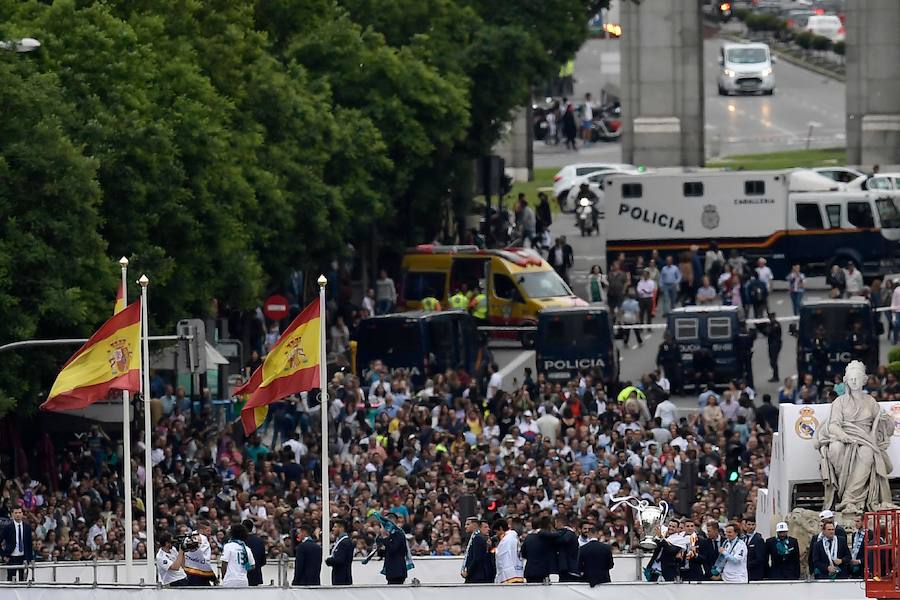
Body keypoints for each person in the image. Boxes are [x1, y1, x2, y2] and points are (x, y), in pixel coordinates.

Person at [816, 360, 895, 514]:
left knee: (867, 453)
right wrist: (843, 436)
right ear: (846, 380)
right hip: (844, 437)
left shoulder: (871, 402)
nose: (853, 381)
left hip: (865, 439)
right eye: (850, 378)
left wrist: (885, 420)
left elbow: (887, 428)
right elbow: (833, 425)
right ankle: (843, 492)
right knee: (835, 448)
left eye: (857, 377)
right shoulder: (840, 402)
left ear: (864, 380)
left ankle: (849, 499)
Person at [522, 516, 559, 583]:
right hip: (543, 572)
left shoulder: (528, 537)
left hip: (530, 571)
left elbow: (523, 554)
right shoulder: (548, 538)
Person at [376, 512, 410, 585]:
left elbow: (392, 549)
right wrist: (381, 539)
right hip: (391, 571)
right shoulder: (389, 535)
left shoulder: (398, 534)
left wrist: (385, 538)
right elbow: (381, 553)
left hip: (397, 571)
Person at [1, 506, 33, 582]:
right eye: (16, 513)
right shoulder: (8, 528)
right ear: (12, 514)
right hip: (11, 557)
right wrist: (4, 556)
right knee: (11, 580)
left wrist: (30, 559)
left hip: (24, 557)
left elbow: (29, 544)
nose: (18, 515)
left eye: (19, 513)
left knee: (23, 580)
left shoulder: (27, 527)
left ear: (22, 514)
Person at [220, 523, 256, 588]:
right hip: (243, 580)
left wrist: (223, 577)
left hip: (230, 579)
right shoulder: (246, 548)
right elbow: (253, 566)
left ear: (232, 534)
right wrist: (245, 567)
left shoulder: (228, 546)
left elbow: (224, 564)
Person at [461, 517, 493, 583]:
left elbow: (477, 558)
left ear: (475, 525)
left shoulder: (478, 538)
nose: (465, 526)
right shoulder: (475, 537)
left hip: (476, 576)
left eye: (468, 524)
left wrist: (468, 572)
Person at [493, 519, 524, 584]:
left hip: (509, 575)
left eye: (496, 532)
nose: (497, 535)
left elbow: (502, 557)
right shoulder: (513, 537)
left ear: (501, 528)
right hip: (518, 572)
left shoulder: (506, 540)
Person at [325, 519, 353, 585]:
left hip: (342, 578)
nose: (332, 529)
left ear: (341, 528)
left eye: (335, 527)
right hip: (339, 576)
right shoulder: (341, 541)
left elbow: (340, 559)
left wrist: (329, 560)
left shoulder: (344, 542)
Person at [555, 514, 580, 582]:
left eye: (556, 523)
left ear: (559, 522)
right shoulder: (567, 533)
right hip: (565, 568)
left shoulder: (569, 533)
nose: (555, 526)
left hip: (569, 568)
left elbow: (564, 540)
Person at [741, 516, 766, 581]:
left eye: (753, 524)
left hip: (755, 572)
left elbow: (760, 558)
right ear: (745, 525)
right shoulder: (742, 538)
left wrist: (746, 565)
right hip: (743, 572)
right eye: (749, 524)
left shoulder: (759, 539)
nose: (751, 527)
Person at [242, 519, 266, 587]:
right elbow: (263, 561)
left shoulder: (240, 542)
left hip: (243, 575)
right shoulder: (260, 541)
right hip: (256, 576)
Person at [766, 312, 782, 382]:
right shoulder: (771, 324)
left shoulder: (775, 325)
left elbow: (769, 332)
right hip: (771, 344)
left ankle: (776, 376)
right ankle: (775, 375)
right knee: (772, 360)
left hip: (775, 344)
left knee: (773, 360)